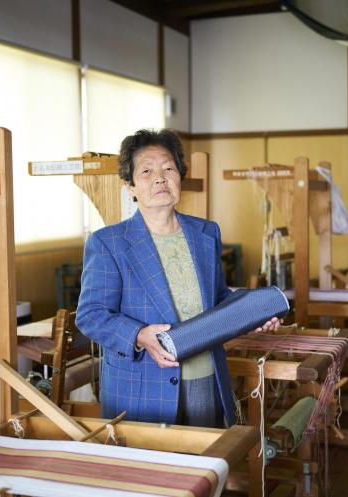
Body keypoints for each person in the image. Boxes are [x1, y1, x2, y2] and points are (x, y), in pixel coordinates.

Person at [76, 128, 280, 428]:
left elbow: (218, 298)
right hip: (141, 385)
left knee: (205, 468)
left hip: (205, 376)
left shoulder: (205, 233)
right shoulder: (108, 243)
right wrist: (139, 335)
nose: (160, 177)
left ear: (180, 177)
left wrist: (254, 314)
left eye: (168, 168)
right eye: (146, 171)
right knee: (148, 472)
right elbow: (90, 315)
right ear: (130, 186)